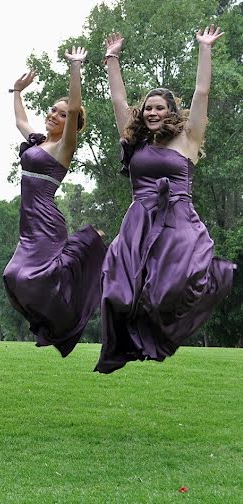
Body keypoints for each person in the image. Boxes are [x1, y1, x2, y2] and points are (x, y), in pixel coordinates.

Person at [96, 28, 236, 373]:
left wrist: (205, 49)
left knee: (173, 286)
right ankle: (129, 340)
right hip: (139, 222)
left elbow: (202, 91)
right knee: (117, 288)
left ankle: (156, 334)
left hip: (177, 221)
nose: (152, 112)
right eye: (147, 108)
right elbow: (117, 101)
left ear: (171, 110)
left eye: (159, 108)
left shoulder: (189, 139)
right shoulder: (135, 141)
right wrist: (112, 58)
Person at [2, 48, 107, 356]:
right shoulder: (38, 141)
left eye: (62, 114)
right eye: (52, 110)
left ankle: (82, 260)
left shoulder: (64, 147)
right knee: (12, 277)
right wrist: (17, 92)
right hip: (29, 221)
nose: (54, 114)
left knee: (25, 276)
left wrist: (76, 68)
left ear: (70, 123)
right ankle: (48, 324)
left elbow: (75, 109)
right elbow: (21, 120)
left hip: (46, 221)